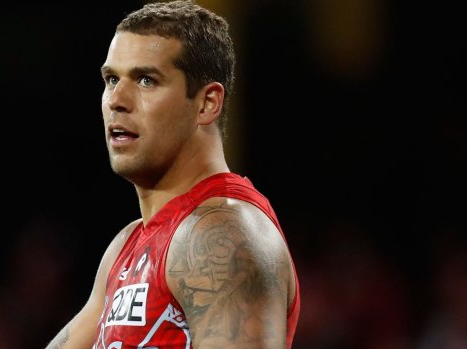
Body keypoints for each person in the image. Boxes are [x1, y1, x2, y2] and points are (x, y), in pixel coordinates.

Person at [46, 1, 300, 348]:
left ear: (207, 103)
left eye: (146, 80)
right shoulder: (127, 246)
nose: (117, 99)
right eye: (111, 79)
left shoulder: (221, 235)